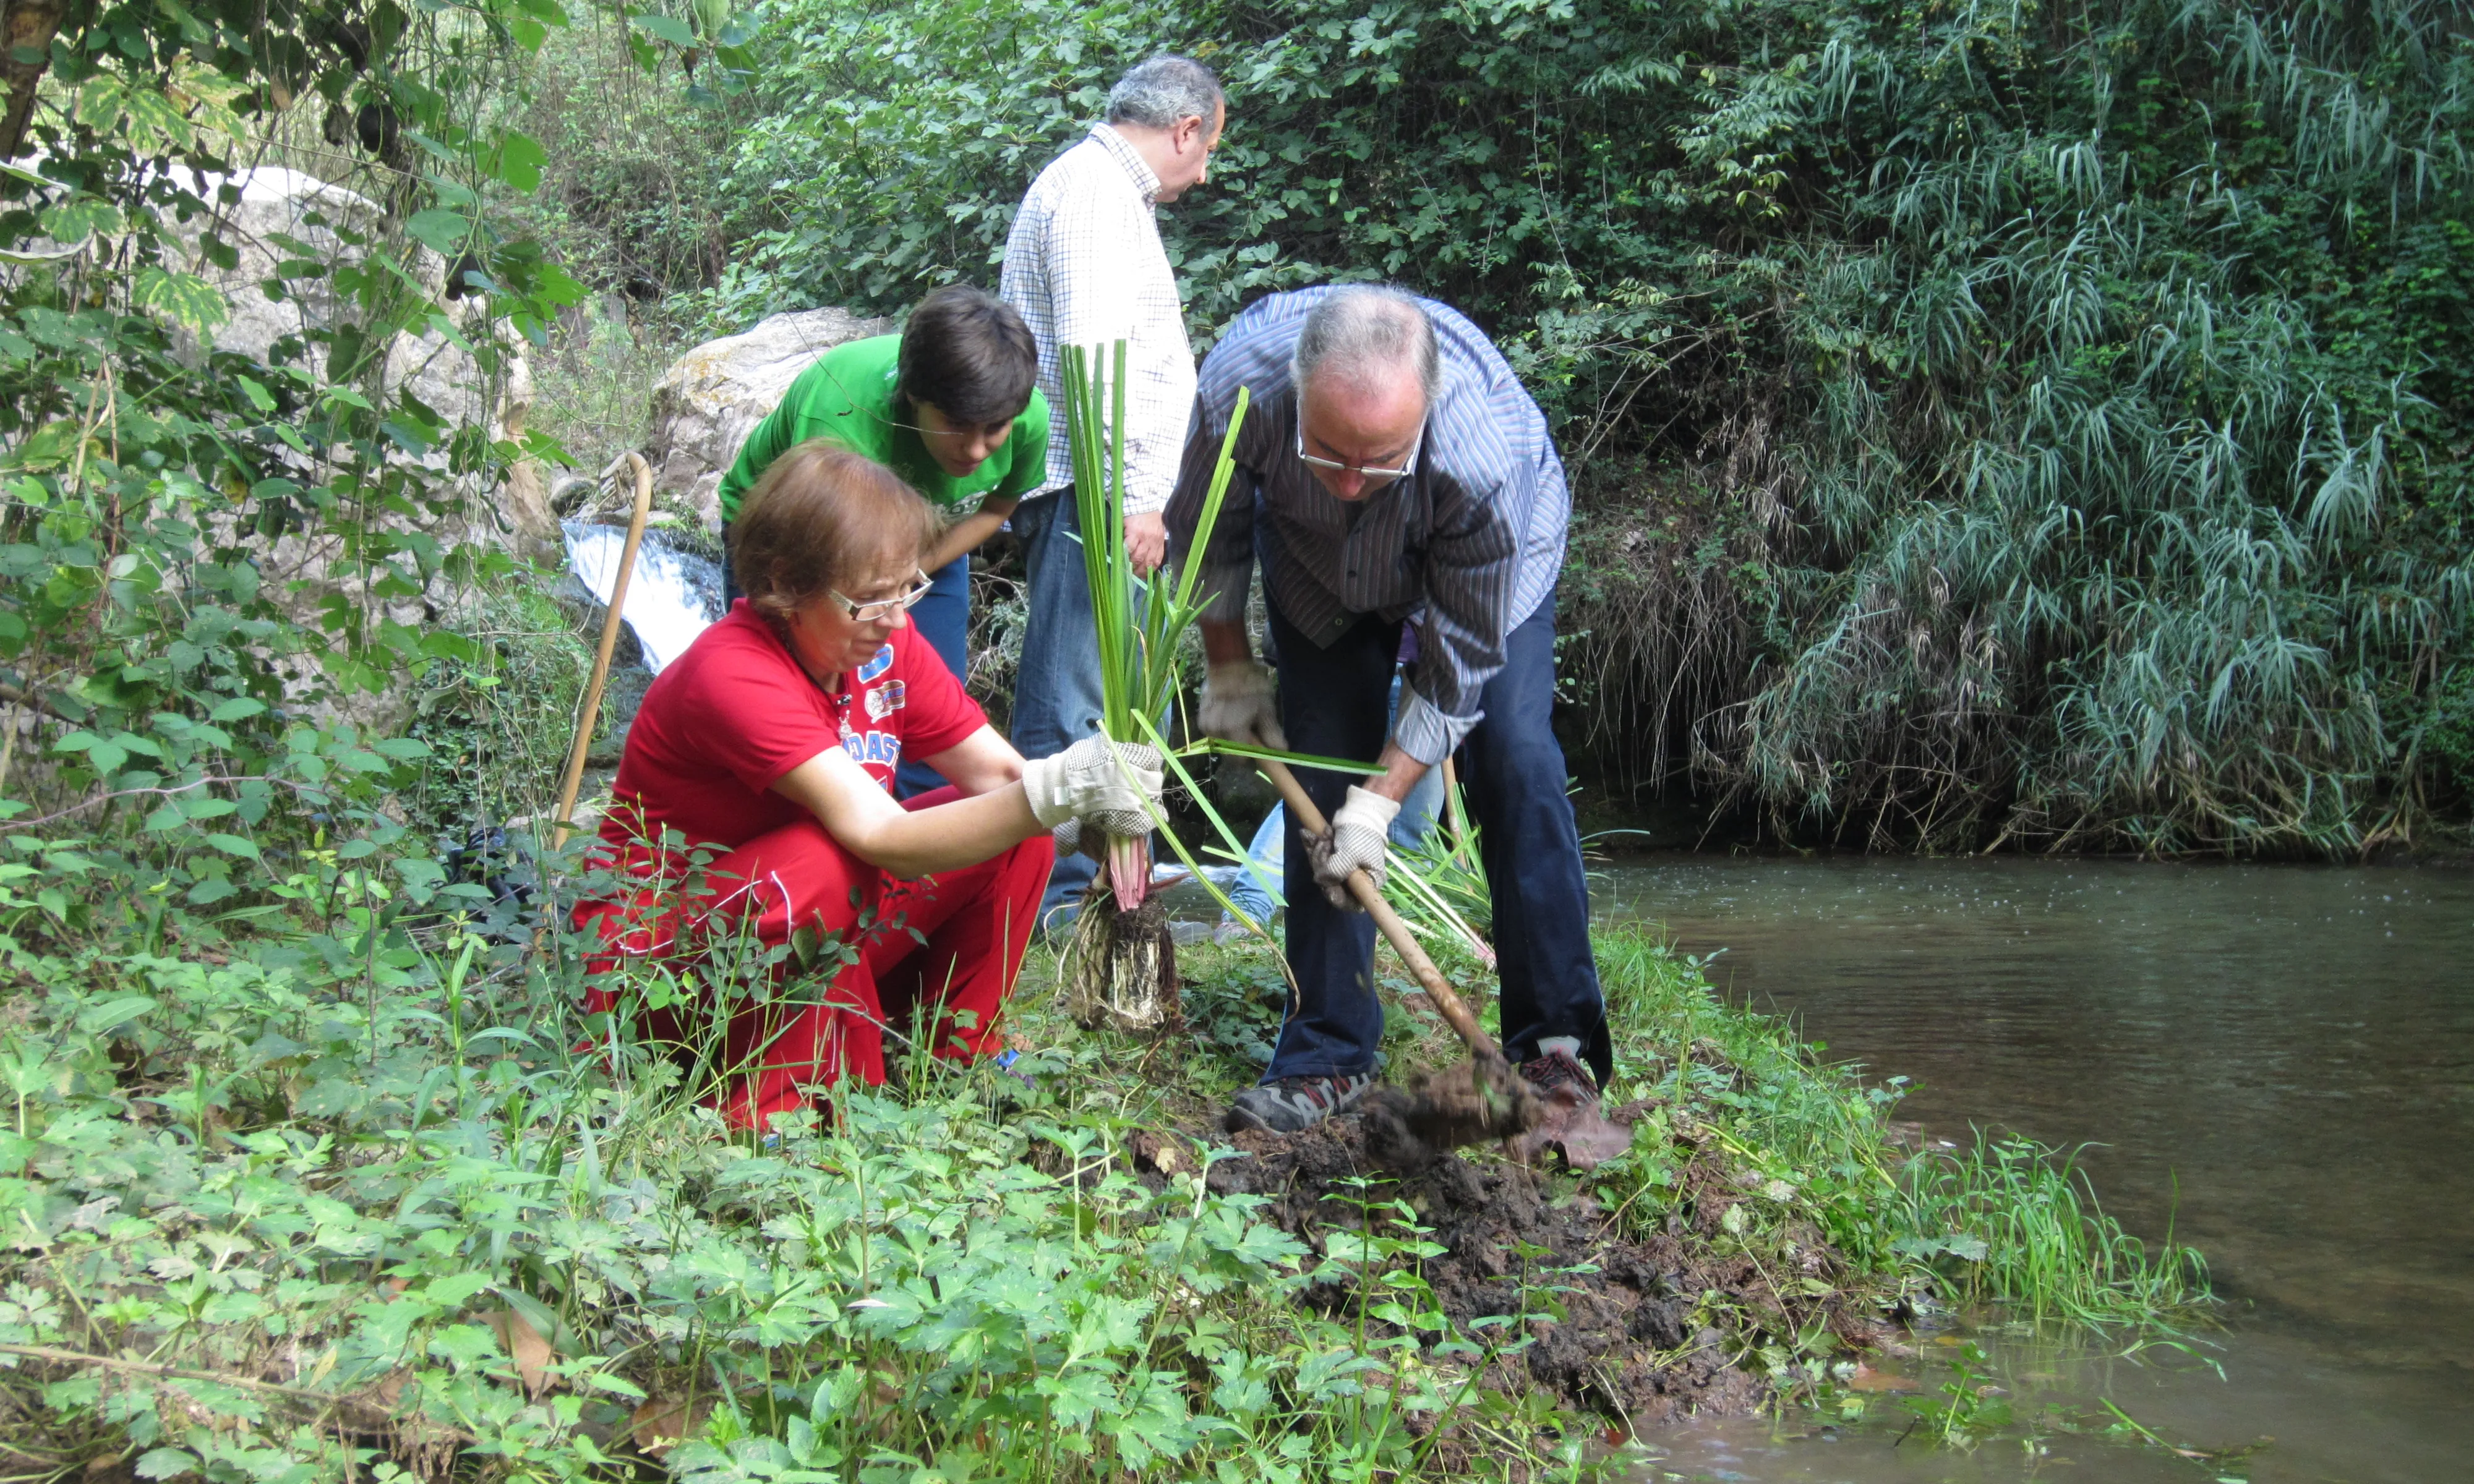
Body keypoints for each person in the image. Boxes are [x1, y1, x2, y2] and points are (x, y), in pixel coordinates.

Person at [576, 443, 1163, 1131]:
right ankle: (770, 1109)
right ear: (786, 583)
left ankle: (952, 1052)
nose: (893, 618)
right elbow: (882, 837)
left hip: (803, 919)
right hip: (663, 970)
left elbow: (1004, 779)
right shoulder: (733, 673)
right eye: (867, 599)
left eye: (905, 589)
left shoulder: (884, 641)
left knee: (1015, 832)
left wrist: (1084, 817)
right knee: (822, 861)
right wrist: (1056, 791)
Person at [1165, 284, 1611, 1134]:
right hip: (1310, 570)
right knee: (1324, 756)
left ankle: (1553, 1045)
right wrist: (1229, 666)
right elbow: (1207, 532)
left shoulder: (1483, 459)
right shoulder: (1242, 390)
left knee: (1516, 754)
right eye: (1329, 454)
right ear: (1299, 393)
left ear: (1425, 415)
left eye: (1380, 461)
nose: (1352, 485)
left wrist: (1384, 801)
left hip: (1482, 562)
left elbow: (1459, 666)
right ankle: (1325, 1053)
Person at [1000, 54, 1225, 923]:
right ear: (1183, 129)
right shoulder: (1093, 197)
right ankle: (1051, 907)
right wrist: (1135, 494)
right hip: (1095, 493)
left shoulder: (1101, 190)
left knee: (1109, 693)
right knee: (1074, 703)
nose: (1205, 172)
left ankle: (1093, 889)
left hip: (1108, 490)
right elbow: (1097, 365)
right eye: (1207, 149)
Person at [714, 286, 1048, 798]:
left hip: (928, 541)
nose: (978, 449)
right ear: (914, 399)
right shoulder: (842, 417)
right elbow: (817, 560)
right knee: (812, 708)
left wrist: (912, 569)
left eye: (994, 430)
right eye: (957, 427)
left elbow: (996, 509)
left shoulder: (1024, 415)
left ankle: (920, 854)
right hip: (800, 550)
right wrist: (884, 586)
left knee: (934, 705)